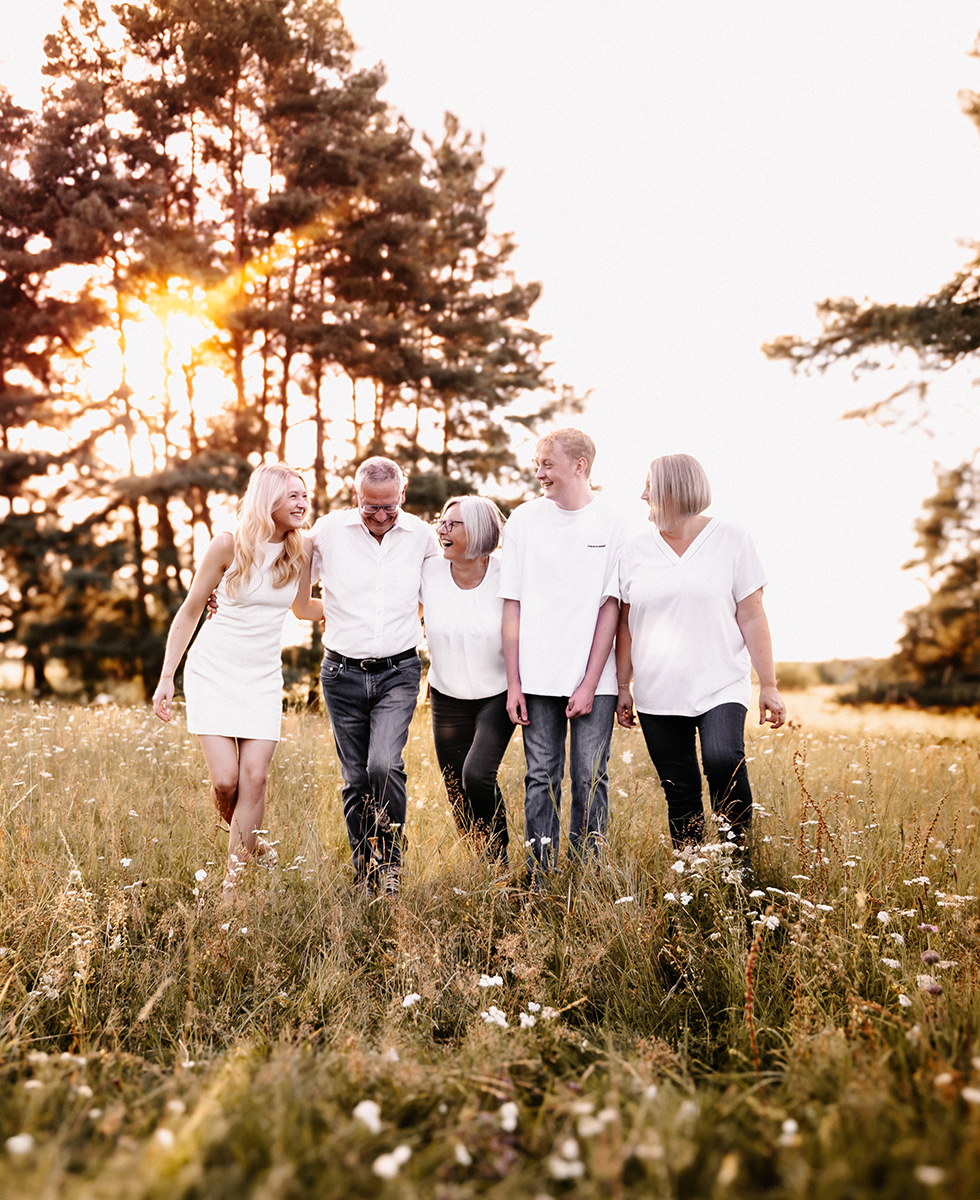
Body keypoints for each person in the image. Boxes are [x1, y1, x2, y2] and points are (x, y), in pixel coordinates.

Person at [616, 453, 786, 857]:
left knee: (723, 758)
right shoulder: (633, 550)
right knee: (680, 790)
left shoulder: (732, 540)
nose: (642, 496)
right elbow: (624, 623)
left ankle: (737, 862)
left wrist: (769, 685)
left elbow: (752, 613)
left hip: (720, 682)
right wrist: (623, 686)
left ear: (675, 490)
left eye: (649, 486)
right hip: (657, 691)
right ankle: (690, 873)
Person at [152, 463, 310, 896]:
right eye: (293, 495)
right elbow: (189, 610)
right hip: (213, 670)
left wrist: (368, 611)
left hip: (262, 677)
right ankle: (255, 844)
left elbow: (304, 609)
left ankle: (231, 888)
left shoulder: (302, 550)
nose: (302, 502)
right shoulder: (228, 545)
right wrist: (167, 677)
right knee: (227, 781)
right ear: (268, 498)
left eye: (304, 495)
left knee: (254, 777)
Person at [296, 457, 439, 895]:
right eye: (370, 507)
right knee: (356, 778)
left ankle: (391, 864)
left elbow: (441, 593)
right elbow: (285, 578)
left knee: (383, 764)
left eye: (389, 508)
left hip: (398, 671)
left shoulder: (422, 536)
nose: (379, 516)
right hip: (341, 674)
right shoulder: (327, 532)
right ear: (355, 495)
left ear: (403, 493)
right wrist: (220, 589)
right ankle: (366, 870)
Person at [499, 428, 626, 877]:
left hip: (596, 679)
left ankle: (588, 876)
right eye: (537, 464)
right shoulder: (523, 520)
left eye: (547, 464)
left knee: (590, 780)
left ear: (580, 465)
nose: (539, 474)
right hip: (535, 679)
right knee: (541, 779)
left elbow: (610, 607)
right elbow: (511, 604)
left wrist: (590, 683)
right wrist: (514, 683)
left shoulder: (615, 522)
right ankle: (539, 875)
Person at [421, 495, 514, 864]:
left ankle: (500, 858)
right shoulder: (428, 571)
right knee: (456, 788)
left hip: (498, 694)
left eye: (453, 523)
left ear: (477, 532)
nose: (441, 528)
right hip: (446, 694)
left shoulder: (507, 572)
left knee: (477, 775)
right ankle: (484, 864)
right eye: (441, 521)